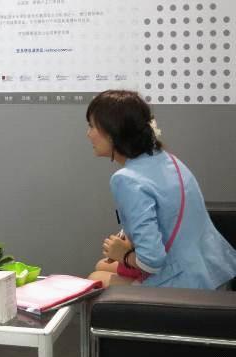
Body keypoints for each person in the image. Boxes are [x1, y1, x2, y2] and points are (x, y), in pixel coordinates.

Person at [85, 89, 236, 289]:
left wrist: (124, 255)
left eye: (92, 126)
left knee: (95, 278)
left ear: (112, 133)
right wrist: (128, 242)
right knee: (101, 265)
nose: (88, 134)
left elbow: (151, 262)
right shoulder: (167, 159)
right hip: (214, 269)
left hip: (188, 284)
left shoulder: (126, 180)